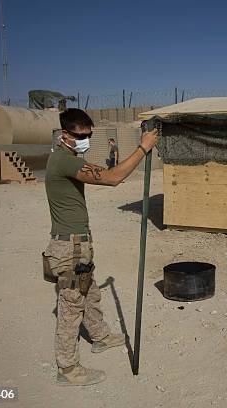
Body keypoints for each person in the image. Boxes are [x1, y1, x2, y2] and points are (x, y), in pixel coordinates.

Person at [43, 108, 159, 386]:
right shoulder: (63, 161)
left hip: (78, 244)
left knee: (90, 293)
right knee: (71, 307)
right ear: (65, 134)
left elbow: (106, 172)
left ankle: (100, 337)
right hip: (69, 247)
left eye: (90, 135)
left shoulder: (69, 158)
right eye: (82, 136)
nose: (87, 140)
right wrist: (143, 149)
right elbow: (112, 177)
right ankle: (67, 369)